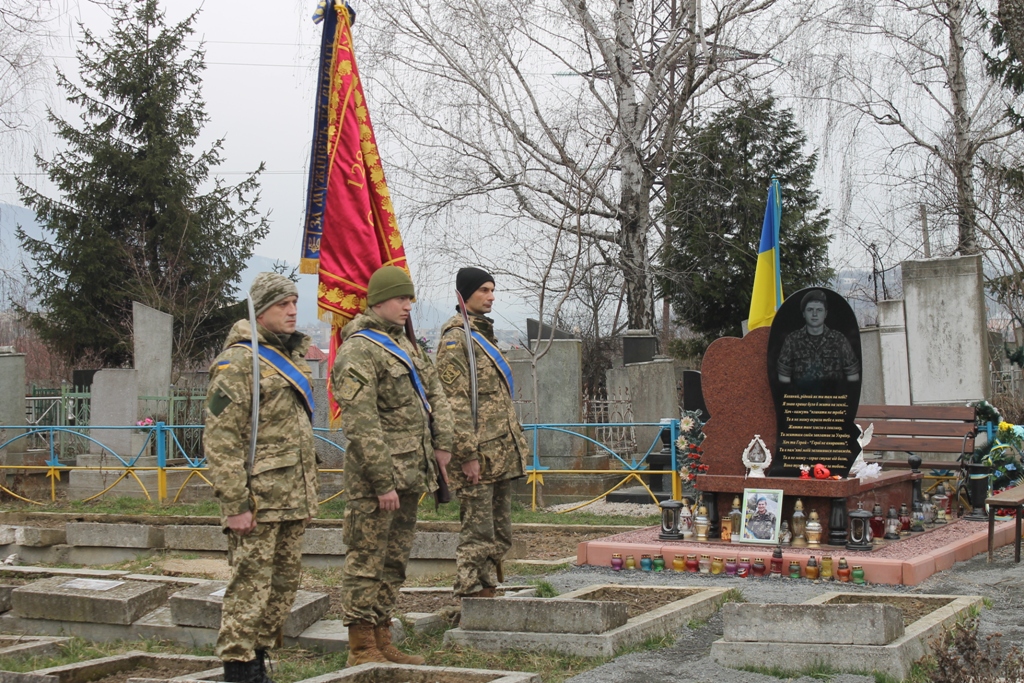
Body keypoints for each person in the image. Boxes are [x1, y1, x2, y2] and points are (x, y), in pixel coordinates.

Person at [331, 265, 454, 666]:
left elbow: (434, 394)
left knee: (394, 560)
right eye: (401, 298)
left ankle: (382, 636)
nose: (407, 306)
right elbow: (361, 424)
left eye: (410, 299)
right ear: (379, 301)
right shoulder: (358, 350)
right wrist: (382, 481)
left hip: (411, 473)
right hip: (376, 481)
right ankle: (361, 645)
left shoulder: (407, 346)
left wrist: (443, 445)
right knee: (366, 558)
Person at [204, 272, 320, 683]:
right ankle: (239, 671)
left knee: (280, 589)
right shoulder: (238, 362)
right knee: (248, 590)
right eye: (281, 305)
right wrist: (235, 505)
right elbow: (220, 441)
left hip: (290, 498)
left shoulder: (290, 357)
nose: (292, 311)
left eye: (294, 302)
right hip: (257, 501)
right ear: (260, 309)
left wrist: (306, 497)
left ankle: (257, 660)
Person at [435, 267, 529, 600]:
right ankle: (468, 599)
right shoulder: (456, 338)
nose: (491, 297)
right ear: (465, 295)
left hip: (499, 453)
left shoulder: (484, 334)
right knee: (477, 534)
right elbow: (455, 404)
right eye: (484, 291)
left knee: (499, 532)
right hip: (478, 457)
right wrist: (467, 455)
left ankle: (488, 589)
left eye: (493, 290)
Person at [776, 290, 860, 392]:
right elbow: (783, 376)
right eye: (810, 310)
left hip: (833, 402)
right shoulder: (792, 340)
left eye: (819, 310)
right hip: (801, 401)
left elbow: (853, 375)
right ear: (803, 313)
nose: (814, 314)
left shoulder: (839, 340)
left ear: (826, 313)